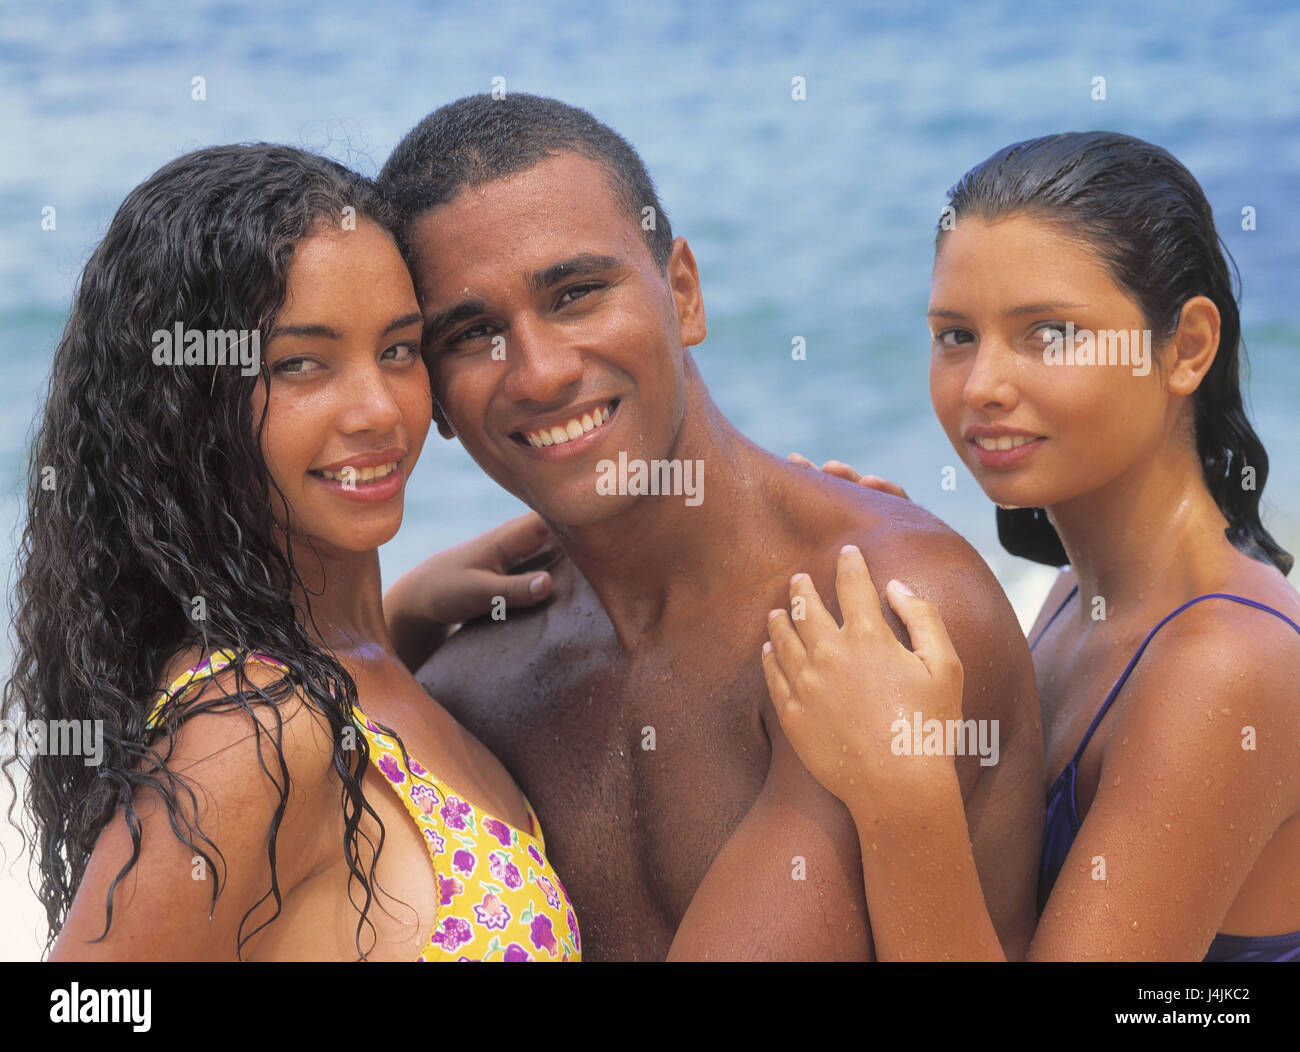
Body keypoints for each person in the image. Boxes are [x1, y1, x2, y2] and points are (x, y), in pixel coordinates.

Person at [378, 93, 1044, 960]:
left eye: (577, 294)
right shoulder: (474, 683)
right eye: (471, 333)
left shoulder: (879, 625)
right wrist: (382, 636)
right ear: (430, 396)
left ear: (683, 293)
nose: (539, 373)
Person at [3, 144, 579, 961]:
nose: (378, 409)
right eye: (300, 364)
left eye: (398, 349)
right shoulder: (252, 730)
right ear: (184, 408)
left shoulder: (353, 674)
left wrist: (398, 623)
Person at [765, 132, 1300, 961]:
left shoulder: (1225, 664)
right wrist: (900, 571)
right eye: (955, 336)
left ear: (1188, 347)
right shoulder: (1070, 601)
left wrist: (900, 791)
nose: (982, 387)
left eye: (1048, 333)